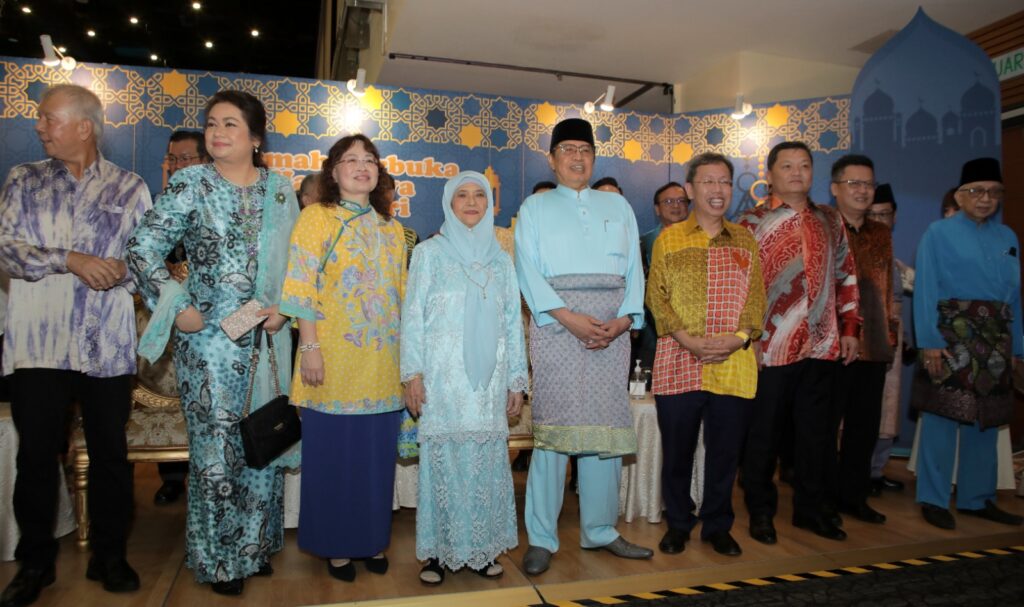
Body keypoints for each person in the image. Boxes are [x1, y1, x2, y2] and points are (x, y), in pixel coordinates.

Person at [127, 90, 298, 596]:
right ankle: (220, 559)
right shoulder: (192, 184)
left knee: (263, 438)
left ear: (255, 137)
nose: (218, 133)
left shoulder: (279, 190)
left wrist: (285, 309)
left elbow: (298, 263)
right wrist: (175, 304)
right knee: (218, 449)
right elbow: (142, 247)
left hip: (266, 335)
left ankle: (254, 547)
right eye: (212, 124)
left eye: (230, 124)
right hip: (209, 344)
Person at [0, 84, 151, 607]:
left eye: (49, 118)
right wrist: (70, 259)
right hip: (39, 345)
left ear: (84, 127)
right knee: (36, 456)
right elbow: (7, 249)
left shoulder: (130, 187)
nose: (39, 126)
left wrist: (124, 269)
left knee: (111, 455)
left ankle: (110, 555)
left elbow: (147, 262)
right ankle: (35, 563)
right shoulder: (24, 180)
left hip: (105, 344)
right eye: (41, 119)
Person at [515, 118, 651, 576]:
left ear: (594, 157)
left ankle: (601, 530)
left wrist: (625, 320)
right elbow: (527, 269)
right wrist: (569, 317)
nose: (577, 157)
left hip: (611, 333)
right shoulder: (535, 208)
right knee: (553, 436)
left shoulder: (618, 206)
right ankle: (541, 537)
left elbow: (634, 270)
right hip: (557, 328)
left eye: (585, 150)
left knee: (604, 435)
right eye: (568, 149)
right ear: (552, 159)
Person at [279, 134, 406, 582]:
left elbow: (401, 297)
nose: (362, 167)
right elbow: (300, 286)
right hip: (329, 361)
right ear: (333, 172)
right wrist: (310, 347)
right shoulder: (316, 218)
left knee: (374, 461)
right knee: (333, 458)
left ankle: (370, 539)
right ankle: (335, 546)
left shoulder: (391, 229)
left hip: (382, 366)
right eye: (350, 160)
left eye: (369, 160)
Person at [401, 171, 528, 584]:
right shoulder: (429, 254)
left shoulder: (501, 260)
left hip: (487, 383)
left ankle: (480, 550)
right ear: (448, 203)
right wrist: (412, 374)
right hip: (442, 379)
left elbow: (512, 322)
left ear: (489, 204)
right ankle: (438, 555)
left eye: (479, 195)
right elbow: (412, 318)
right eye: (462, 195)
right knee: (444, 466)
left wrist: (516, 380)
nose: (472, 202)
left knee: (484, 466)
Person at [737, 141, 860, 545]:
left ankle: (810, 510)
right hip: (770, 346)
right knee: (764, 434)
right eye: (787, 166)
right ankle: (761, 511)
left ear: (813, 173)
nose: (796, 173)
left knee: (816, 435)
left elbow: (846, 274)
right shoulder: (750, 222)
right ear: (769, 174)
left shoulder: (830, 219)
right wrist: (749, 338)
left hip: (821, 344)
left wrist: (850, 328)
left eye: (804, 165)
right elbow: (740, 286)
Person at [646, 153, 765, 557]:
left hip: (733, 363)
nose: (718, 190)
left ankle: (717, 525)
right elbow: (656, 297)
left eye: (725, 182)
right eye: (708, 182)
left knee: (725, 454)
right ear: (691, 189)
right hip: (679, 359)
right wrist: (687, 340)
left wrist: (738, 338)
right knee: (677, 452)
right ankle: (679, 522)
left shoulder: (745, 240)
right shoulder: (670, 238)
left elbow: (756, 298)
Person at [913, 157, 1023, 530]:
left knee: (987, 421)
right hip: (949, 337)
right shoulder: (937, 233)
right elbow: (925, 288)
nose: (985, 199)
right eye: (976, 191)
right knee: (943, 417)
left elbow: (1015, 298)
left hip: (996, 340)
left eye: (993, 192)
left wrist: (1018, 348)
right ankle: (933, 499)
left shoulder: (1008, 237)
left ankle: (977, 499)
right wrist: (929, 341)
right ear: (959, 196)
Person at [825, 155, 894, 525]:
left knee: (864, 428)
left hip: (873, 345)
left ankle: (854, 496)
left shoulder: (881, 234)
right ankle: (822, 499)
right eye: (854, 183)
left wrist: (889, 334)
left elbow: (885, 289)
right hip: (831, 346)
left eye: (868, 184)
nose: (863, 191)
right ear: (835, 188)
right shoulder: (822, 228)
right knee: (823, 428)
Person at [152, 129, 209, 507]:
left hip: (215, 320)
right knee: (172, 393)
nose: (177, 165)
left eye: (185, 158)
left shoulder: (218, 199)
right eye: (173, 159)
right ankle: (172, 476)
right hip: (176, 312)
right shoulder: (165, 204)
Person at [866, 184, 908, 496]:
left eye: (885, 214)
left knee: (887, 408)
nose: (880, 220)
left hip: (892, 336)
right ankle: (856, 471)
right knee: (861, 410)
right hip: (864, 337)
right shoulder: (856, 249)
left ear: (894, 217)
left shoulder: (894, 258)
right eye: (874, 215)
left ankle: (876, 471)